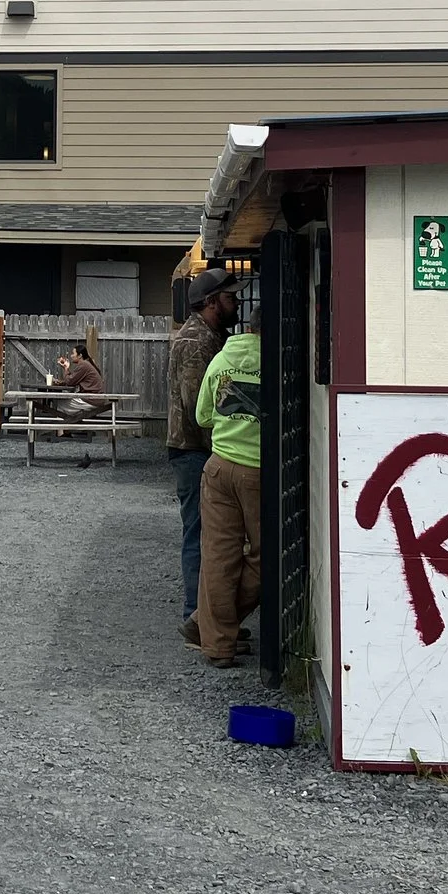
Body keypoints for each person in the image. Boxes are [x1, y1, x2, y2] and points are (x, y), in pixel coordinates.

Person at [192, 312, 264, 667]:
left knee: (219, 558)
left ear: (248, 327)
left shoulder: (221, 360)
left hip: (218, 466)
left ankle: (216, 642)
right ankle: (215, 624)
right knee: (268, 556)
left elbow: (203, 416)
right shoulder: (276, 360)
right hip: (259, 470)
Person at [169, 272, 233, 637]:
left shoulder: (211, 338)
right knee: (199, 534)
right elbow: (199, 408)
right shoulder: (196, 342)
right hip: (194, 451)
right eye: (229, 297)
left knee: (211, 535)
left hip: (197, 450)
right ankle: (195, 619)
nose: (236, 302)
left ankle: (209, 618)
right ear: (211, 302)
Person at [48, 343, 105, 421]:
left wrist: (66, 368)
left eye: (73, 353)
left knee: (58, 405)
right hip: (94, 398)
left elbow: (69, 381)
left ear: (80, 355)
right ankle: (65, 431)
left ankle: (63, 432)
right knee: (64, 403)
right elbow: (73, 379)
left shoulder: (84, 365)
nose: (71, 356)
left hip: (92, 400)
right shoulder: (85, 364)